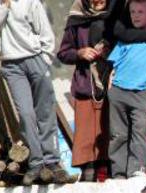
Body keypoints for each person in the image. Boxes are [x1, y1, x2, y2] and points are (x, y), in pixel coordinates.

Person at [0, 0, 73, 185]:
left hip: (35, 59)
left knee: (45, 112)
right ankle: (36, 162)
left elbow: (45, 31)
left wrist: (45, 59)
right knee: (26, 114)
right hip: (12, 66)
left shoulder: (31, 2)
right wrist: (4, 7)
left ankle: (52, 161)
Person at [107, 0, 146, 178]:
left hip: (141, 94)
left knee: (139, 133)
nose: (135, 15)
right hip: (119, 91)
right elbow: (115, 65)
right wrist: (111, 87)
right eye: (133, 12)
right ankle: (118, 173)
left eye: (140, 12)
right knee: (118, 134)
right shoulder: (125, 39)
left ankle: (138, 170)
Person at [57, 0, 112, 182]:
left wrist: (109, 51)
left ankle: (107, 177)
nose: (98, 1)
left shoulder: (116, 17)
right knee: (86, 140)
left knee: (108, 138)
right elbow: (63, 53)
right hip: (85, 85)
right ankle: (87, 177)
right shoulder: (77, 18)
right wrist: (80, 53)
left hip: (111, 85)